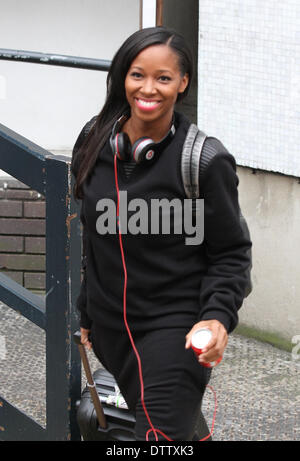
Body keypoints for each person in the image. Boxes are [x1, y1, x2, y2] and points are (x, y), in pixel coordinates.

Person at [71, 26, 252, 441]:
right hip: (112, 334)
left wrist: (217, 315)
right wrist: (86, 312)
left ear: (183, 82)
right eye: (137, 75)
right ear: (122, 77)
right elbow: (92, 240)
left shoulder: (203, 161)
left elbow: (232, 253)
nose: (148, 88)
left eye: (163, 78)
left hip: (175, 332)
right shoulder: (93, 140)